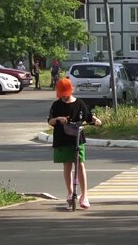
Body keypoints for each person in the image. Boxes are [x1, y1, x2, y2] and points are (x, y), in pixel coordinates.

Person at [48, 78, 102, 209]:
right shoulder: (56, 105)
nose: (64, 96)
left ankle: (84, 195)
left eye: (66, 93)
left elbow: (89, 117)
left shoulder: (79, 104)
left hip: (77, 138)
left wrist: (96, 121)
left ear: (71, 91)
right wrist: (58, 119)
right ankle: (70, 193)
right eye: (62, 94)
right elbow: (50, 121)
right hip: (62, 138)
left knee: (80, 165)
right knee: (67, 166)